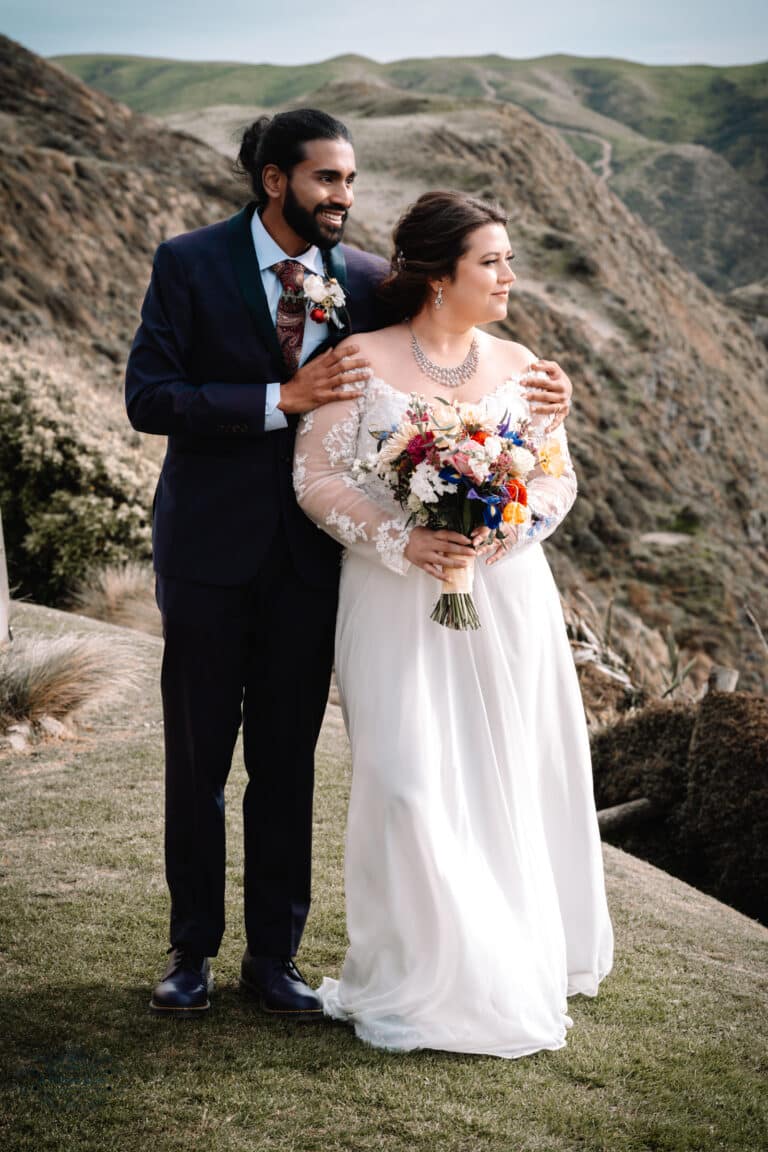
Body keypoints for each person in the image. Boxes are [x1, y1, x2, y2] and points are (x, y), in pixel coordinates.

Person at [295, 190, 613, 1058]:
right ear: (440, 276)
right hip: (394, 597)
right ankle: (420, 966)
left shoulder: (525, 366)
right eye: (492, 261)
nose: (509, 275)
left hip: (507, 598)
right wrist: (406, 540)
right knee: (407, 778)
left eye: (508, 259)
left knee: (511, 771)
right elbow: (316, 479)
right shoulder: (359, 359)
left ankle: (508, 957)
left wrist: (501, 530)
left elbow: (556, 479)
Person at [125, 109, 388, 1015]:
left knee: (288, 767)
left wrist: (536, 382)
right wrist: (282, 397)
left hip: (314, 564)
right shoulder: (188, 262)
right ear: (274, 179)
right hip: (206, 553)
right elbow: (149, 398)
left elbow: (437, 360)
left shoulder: (369, 280)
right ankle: (190, 953)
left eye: (351, 181)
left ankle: (272, 962)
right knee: (196, 766)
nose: (343, 198)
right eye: (327, 179)